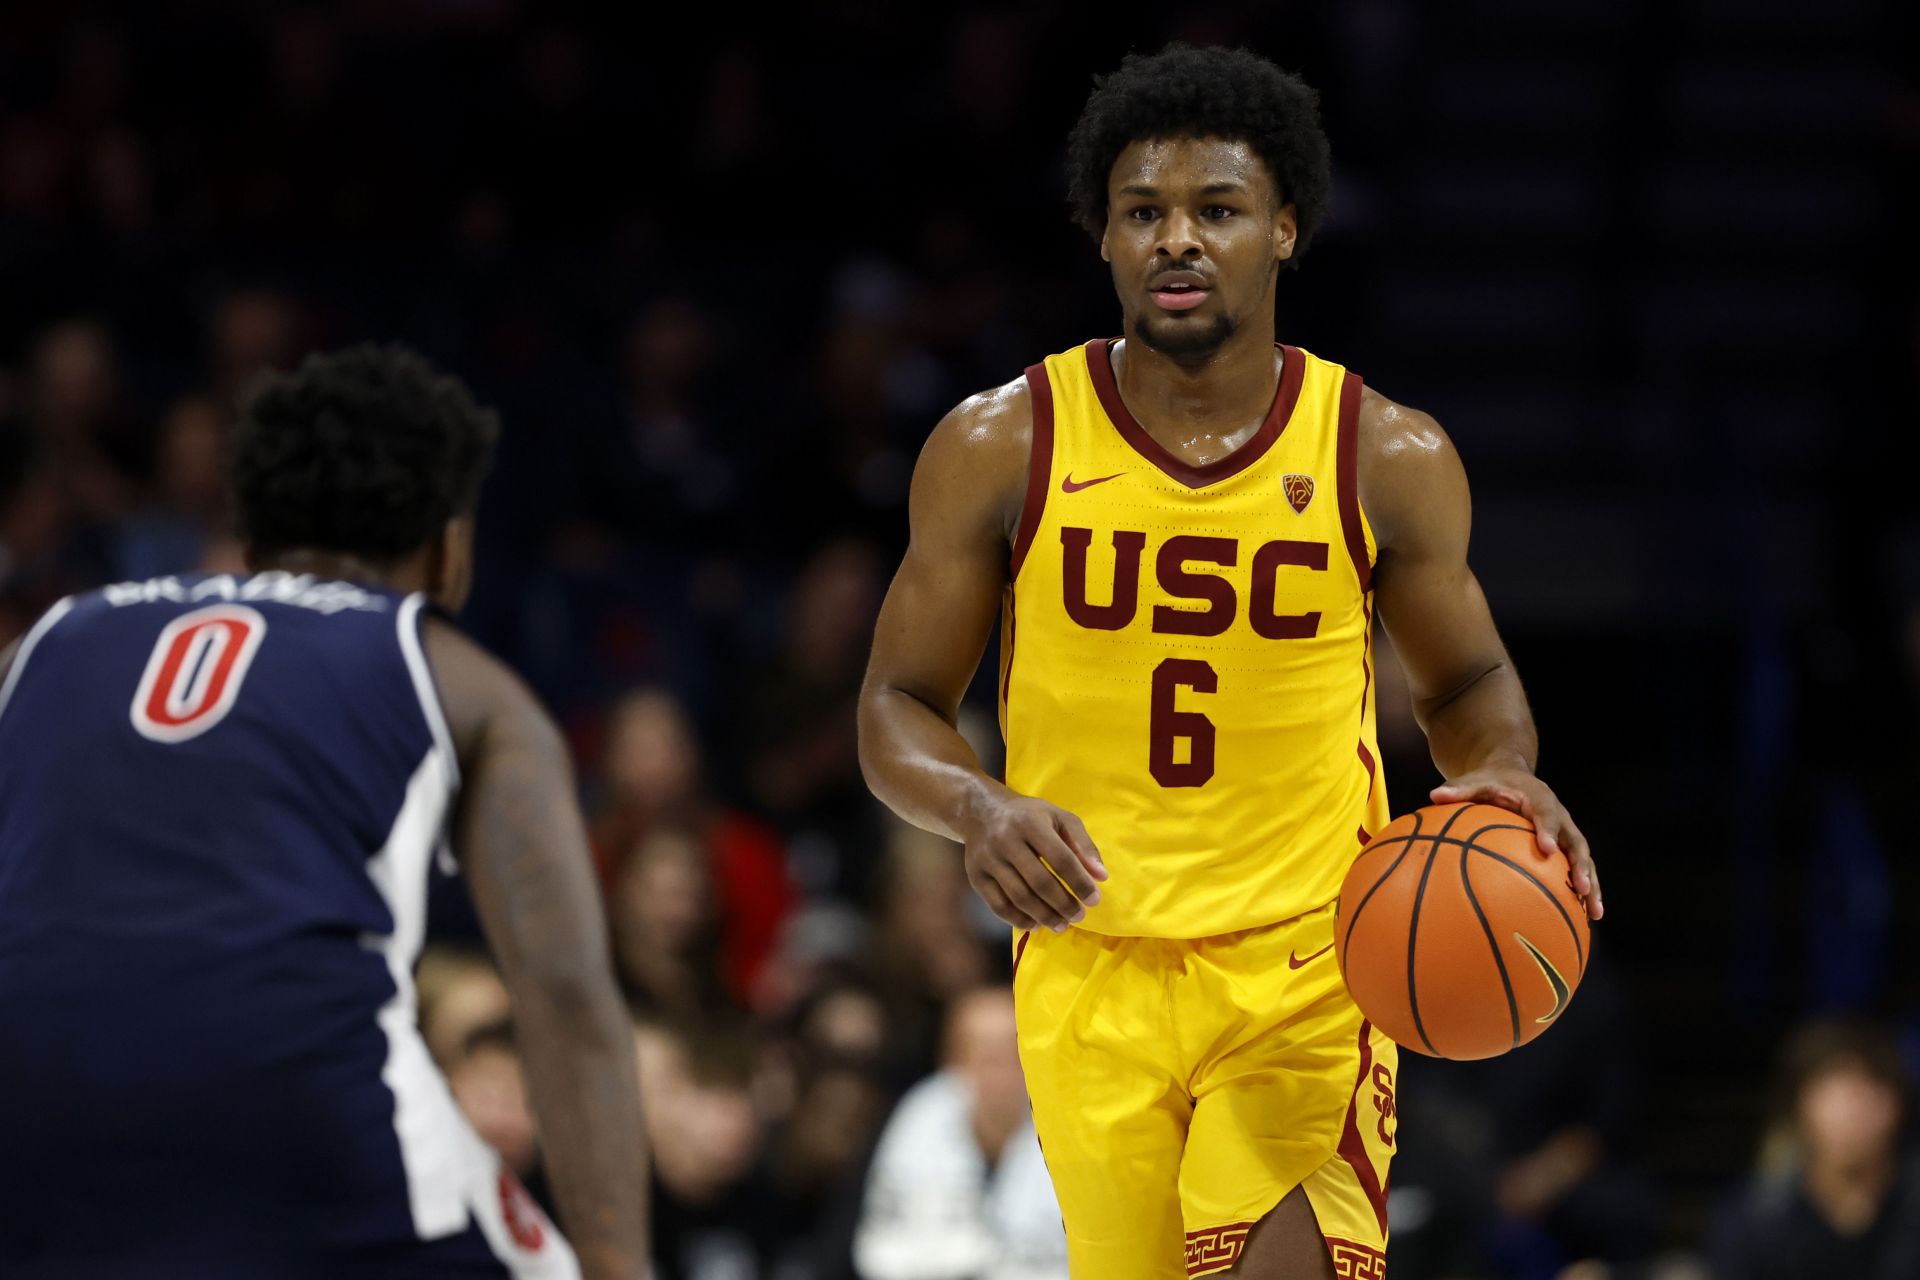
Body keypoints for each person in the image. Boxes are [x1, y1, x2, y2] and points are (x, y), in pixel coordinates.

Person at [857, 44, 1602, 1280]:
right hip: (1088, 966)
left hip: (1305, 967)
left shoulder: (1384, 452)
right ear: (1103, 237)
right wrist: (975, 805)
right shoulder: (1001, 443)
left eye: (1218, 209)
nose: (1177, 240)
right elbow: (894, 707)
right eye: (1143, 212)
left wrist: (1503, 767)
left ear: (1287, 231)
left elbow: (1467, 686)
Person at [0, 345, 648, 1278]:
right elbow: (567, 997)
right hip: (286, 1080)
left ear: (251, 532)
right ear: (450, 547)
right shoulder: (458, 678)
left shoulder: (47, 640)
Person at [854, 986, 1068, 1280]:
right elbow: (878, 1247)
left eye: (1013, 1053)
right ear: (952, 1059)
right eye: (985, 1056)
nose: (1002, 1072)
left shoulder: (1067, 1125)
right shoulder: (921, 1119)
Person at [1708, 1020, 1920, 1280]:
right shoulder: (1753, 1219)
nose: (1852, 1114)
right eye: (1834, 1096)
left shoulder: (1910, 1207)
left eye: (1868, 1094)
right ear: (1799, 1105)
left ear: (1898, 1106)